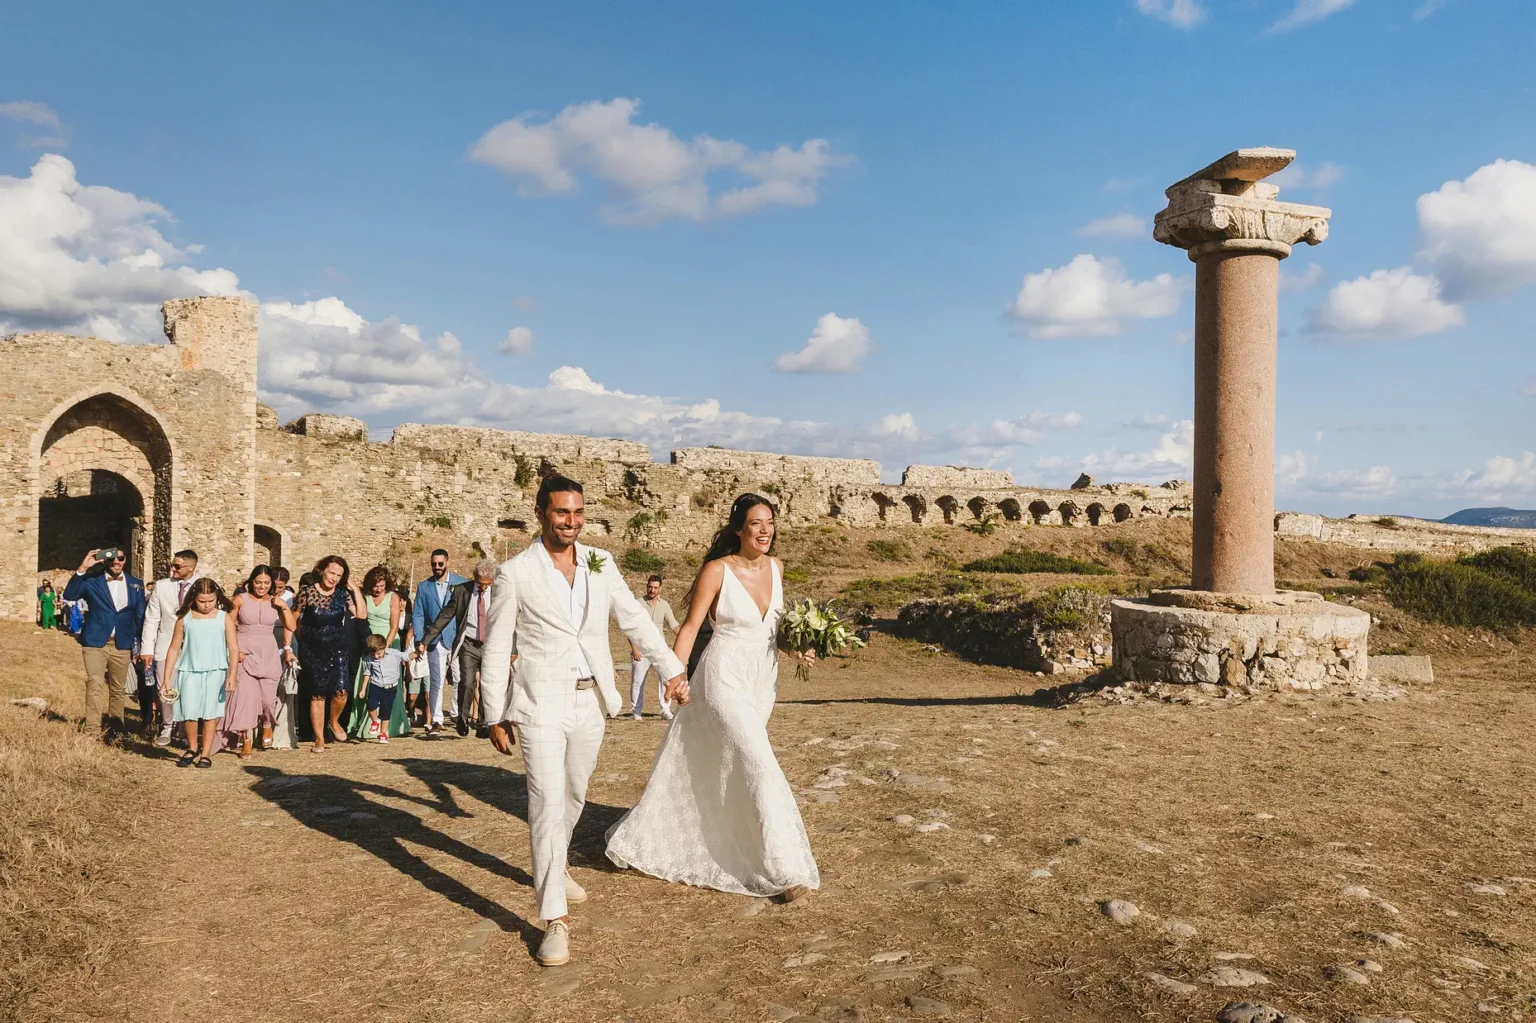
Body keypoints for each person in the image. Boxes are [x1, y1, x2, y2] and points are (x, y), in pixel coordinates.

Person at [479, 475, 684, 967]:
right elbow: (497, 646)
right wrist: (493, 713)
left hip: (591, 702)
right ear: (539, 513)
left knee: (572, 795)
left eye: (577, 513)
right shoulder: (516, 572)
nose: (570, 522)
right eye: (560, 513)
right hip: (539, 705)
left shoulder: (600, 561)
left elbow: (634, 618)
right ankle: (554, 920)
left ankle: (558, 863)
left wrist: (672, 670)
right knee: (546, 802)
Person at [606, 493, 820, 905]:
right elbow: (688, 628)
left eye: (770, 522)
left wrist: (798, 650)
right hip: (723, 675)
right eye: (756, 523)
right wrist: (676, 672)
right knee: (759, 759)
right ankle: (784, 868)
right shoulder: (717, 570)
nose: (765, 530)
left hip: (763, 680)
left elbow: (772, 630)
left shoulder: (777, 568)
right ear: (739, 529)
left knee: (733, 761)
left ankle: (729, 838)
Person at [62, 548, 148, 741]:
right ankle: (92, 731)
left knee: (118, 688)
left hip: (122, 644)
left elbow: (140, 616)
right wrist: (83, 567)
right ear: (105, 560)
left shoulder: (136, 584)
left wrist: (140, 645)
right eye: (112, 558)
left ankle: (116, 730)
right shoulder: (92, 581)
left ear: (125, 560)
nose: (116, 562)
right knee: (94, 683)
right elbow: (70, 594)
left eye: (120, 558)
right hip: (95, 642)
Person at [162, 578, 239, 769]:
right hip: (189, 670)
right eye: (202, 601)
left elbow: (234, 648)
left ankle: (206, 753)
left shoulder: (224, 617)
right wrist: (166, 679)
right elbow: (173, 648)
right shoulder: (184, 618)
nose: (206, 605)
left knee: (210, 712)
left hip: (216, 670)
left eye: (211, 600)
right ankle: (192, 747)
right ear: (193, 598)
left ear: (217, 598)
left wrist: (232, 674)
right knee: (189, 710)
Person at [293, 555, 366, 752]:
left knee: (341, 692)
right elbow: (292, 621)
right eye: (332, 572)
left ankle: (333, 722)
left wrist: (356, 590)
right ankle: (319, 738)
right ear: (322, 570)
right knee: (317, 696)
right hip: (312, 649)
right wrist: (292, 645)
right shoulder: (306, 592)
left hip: (338, 647)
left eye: (339, 575)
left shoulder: (343, 594)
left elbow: (361, 615)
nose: (334, 578)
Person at [418, 558, 497, 737]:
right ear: (475, 578)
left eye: (487, 584)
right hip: (468, 643)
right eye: (480, 584)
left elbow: (511, 619)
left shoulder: (500, 591)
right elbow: (445, 616)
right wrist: (426, 640)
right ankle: (462, 718)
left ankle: (483, 723)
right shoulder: (462, 591)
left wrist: (513, 649)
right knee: (467, 682)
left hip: (492, 643)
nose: (483, 588)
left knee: (487, 684)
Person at [225, 566, 296, 757]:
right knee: (245, 700)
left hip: (268, 652)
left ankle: (267, 723)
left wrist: (283, 606)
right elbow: (228, 625)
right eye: (258, 582)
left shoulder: (275, 602)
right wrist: (234, 650)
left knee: (267, 699)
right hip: (244, 652)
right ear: (251, 581)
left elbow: (291, 625)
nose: (262, 586)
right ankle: (246, 741)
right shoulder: (240, 599)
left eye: (266, 583)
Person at [140, 549, 201, 746]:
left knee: (190, 689)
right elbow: (152, 618)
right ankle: (167, 725)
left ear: (190, 568)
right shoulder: (162, 586)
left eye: (177, 566)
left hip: (194, 646)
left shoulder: (203, 586)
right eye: (172, 565)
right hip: (166, 645)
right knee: (164, 687)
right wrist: (146, 648)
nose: (172, 569)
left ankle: (184, 729)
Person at [346, 566, 409, 739]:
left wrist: (384, 648)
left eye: (381, 586)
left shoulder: (392, 597)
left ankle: (389, 726)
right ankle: (363, 722)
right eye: (375, 586)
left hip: (388, 642)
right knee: (366, 681)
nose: (378, 589)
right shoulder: (364, 597)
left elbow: (395, 626)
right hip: (369, 644)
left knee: (387, 683)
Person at [412, 550, 466, 734]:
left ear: (447, 562)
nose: (436, 567)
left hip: (457, 638)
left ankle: (457, 715)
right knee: (436, 681)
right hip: (435, 640)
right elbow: (418, 614)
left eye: (440, 564)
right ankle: (436, 719)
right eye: (433, 564)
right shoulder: (424, 586)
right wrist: (420, 639)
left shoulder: (461, 583)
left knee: (459, 679)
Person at [627, 574, 681, 721]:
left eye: (655, 587)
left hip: (659, 648)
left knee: (666, 678)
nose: (652, 590)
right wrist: (634, 648)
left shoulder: (664, 605)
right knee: (638, 680)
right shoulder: (638, 603)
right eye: (650, 587)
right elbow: (630, 627)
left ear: (660, 589)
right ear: (647, 587)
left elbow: (673, 624)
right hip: (641, 648)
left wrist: (685, 637)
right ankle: (636, 712)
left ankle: (665, 709)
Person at [360, 634, 409, 744]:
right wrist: (363, 688)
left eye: (379, 653)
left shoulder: (393, 654)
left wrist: (419, 652)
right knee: (371, 704)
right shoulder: (368, 660)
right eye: (373, 654)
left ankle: (383, 733)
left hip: (390, 687)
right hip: (375, 685)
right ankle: (375, 722)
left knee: (386, 711)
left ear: (384, 647)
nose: (376, 656)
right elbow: (367, 673)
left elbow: (407, 656)